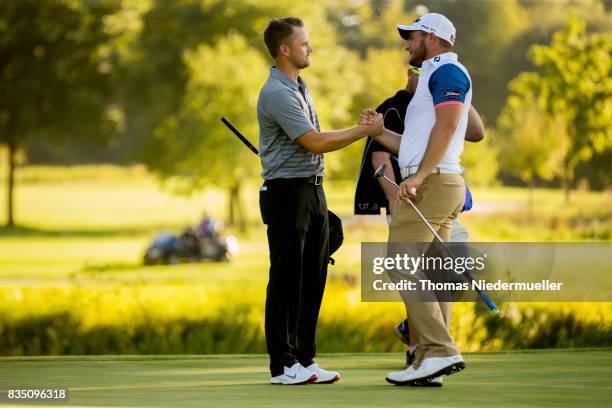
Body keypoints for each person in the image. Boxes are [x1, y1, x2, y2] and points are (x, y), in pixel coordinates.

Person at [257, 16, 383, 385]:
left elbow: (317, 141)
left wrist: (360, 129)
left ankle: (304, 359)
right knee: (287, 279)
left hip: (312, 189)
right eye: (303, 43)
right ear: (285, 49)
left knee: (313, 276)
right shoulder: (278, 92)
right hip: (287, 193)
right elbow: (315, 141)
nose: (310, 48)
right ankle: (282, 365)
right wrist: (363, 131)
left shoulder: (299, 87)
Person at [361, 12, 474, 385]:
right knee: (429, 273)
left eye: (412, 37)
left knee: (400, 264)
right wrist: (380, 132)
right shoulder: (430, 77)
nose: (407, 43)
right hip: (437, 181)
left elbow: (449, 125)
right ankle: (428, 360)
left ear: (431, 37)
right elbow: (412, 146)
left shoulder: (448, 72)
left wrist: (420, 175)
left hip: (434, 184)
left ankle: (440, 350)